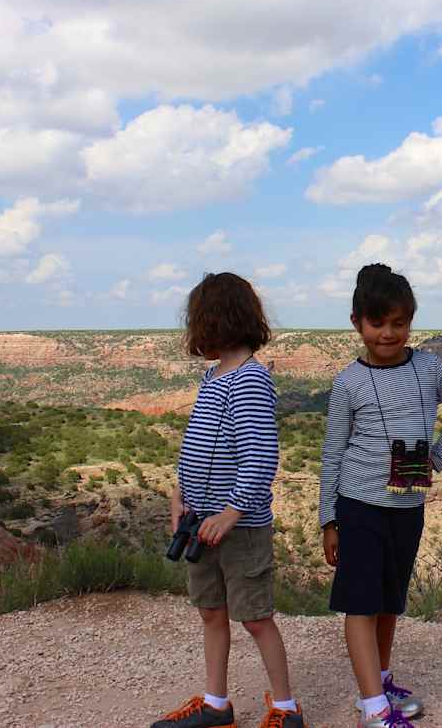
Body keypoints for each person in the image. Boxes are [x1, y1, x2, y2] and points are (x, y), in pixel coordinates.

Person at [319, 263, 442, 728]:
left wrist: (433, 458)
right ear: (357, 322)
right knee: (361, 602)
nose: (388, 334)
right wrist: (328, 519)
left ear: (411, 321)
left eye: (399, 323)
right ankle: (372, 709)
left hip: (408, 505)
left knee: (390, 599)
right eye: (377, 323)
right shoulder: (348, 381)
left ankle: (381, 682)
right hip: (359, 505)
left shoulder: (429, 367)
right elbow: (332, 451)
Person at [153, 273, 305, 728]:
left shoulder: (250, 380)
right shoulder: (213, 375)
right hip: (201, 523)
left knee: (255, 618)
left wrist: (232, 512)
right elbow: (197, 444)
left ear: (214, 322)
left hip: (240, 529)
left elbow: (261, 456)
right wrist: (180, 494)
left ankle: (285, 709)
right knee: (211, 613)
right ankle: (217, 706)